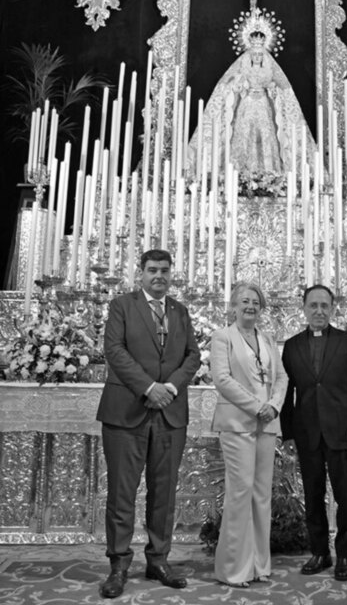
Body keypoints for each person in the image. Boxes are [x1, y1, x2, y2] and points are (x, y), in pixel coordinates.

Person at [96, 249, 200, 599]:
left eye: (165, 270)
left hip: (170, 412)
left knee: (164, 493)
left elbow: (193, 356)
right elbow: (115, 351)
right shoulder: (121, 306)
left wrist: (169, 387)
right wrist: (148, 387)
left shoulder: (180, 311)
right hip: (127, 411)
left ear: (172, 275)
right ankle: (119, 564)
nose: (160, 276)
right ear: (139, 273)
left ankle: (158, 560)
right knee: (122, 494)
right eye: (152, 270)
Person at [281, 285, 347, 582]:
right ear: (303, 308)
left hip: (342, 432)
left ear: (333, 308)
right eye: (313, 305)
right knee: (313, 494)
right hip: (308, 434)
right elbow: (287, 392)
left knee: (346, 496)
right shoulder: (291, 346)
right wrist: (288, 433)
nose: (319, 311)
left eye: (324, 305)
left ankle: (344, 554)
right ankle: (320, 552)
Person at [210, 281, 288, 588]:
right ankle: (233, 569)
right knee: (240, 494)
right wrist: (258, 406)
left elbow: (281, 377)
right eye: (244, 301)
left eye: (255, 301)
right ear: (233, 305)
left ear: (262, 307)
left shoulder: (267, 338)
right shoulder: (222, 337)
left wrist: (274, 405)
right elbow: (222, 379)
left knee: (260, 496)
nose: (250, 306)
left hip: (267, 422)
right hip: (238, 423)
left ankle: (258, 564)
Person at [187, 12, 316, 180]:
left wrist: (274, 90)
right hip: (247, 105)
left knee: (266, 134)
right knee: (244, 134)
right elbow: (229, 84)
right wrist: (239, 84)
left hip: (262, 104)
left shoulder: (270, 68)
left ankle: (269, 174)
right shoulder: (243, 66)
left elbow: (282, 87)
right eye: (254, 53)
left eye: (259, 54)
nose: (256, 56)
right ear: (249, 52)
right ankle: (239, 173)